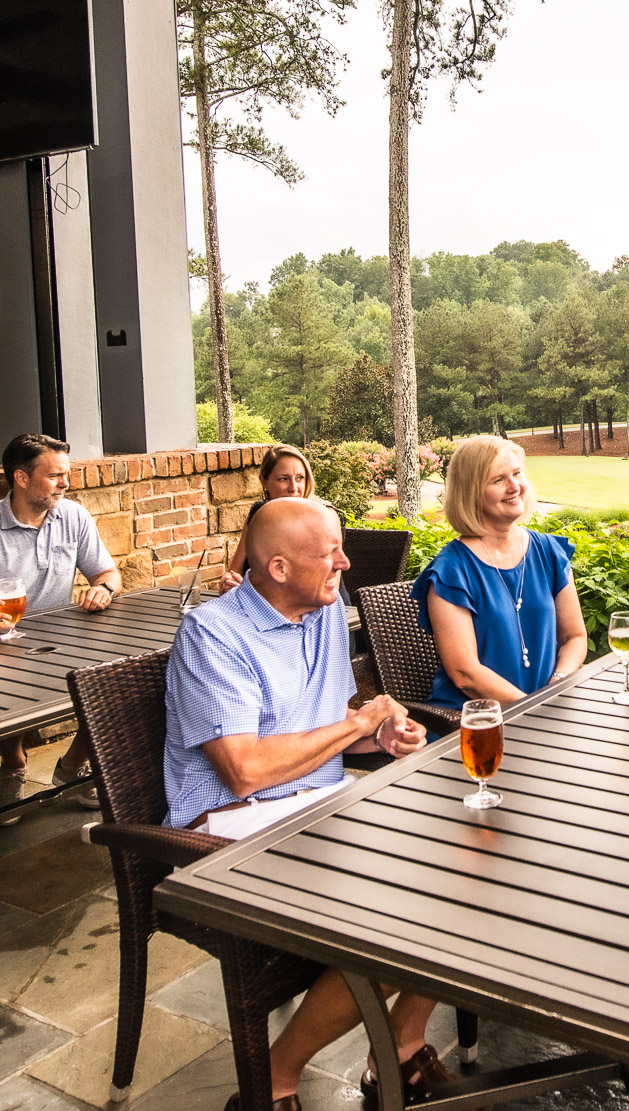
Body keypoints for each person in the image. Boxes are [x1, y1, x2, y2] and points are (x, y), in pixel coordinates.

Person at [163, 498, 439, 1111]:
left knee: (466, 868)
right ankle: (273, 1080)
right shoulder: (213, 634)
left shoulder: (324, 610)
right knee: (403, 921)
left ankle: (401, 1043)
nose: (345, 562)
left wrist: (378, 736)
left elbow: (326, 725)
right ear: (279, 568)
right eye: (329, 552)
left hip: (319, 810)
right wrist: (357, 724)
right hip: (228, 833)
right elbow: (245, 772)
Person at [0, 433, 121, 811]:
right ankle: (13, 764)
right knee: (6, 677)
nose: (66, 483)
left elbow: (107, 573)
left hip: (65, 636)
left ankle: (72, 764)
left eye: (66, 474)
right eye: (55, 475)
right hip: (1, 642)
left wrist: (103, 589)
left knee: (118, 676)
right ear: (21, 478)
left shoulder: (73, 516)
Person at [413, 436, 586, 713]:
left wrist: (557, 683)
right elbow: (465, 674)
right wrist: (534, 709)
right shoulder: (451, 571)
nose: (514, 486)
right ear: (470, 493)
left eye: (517, 473)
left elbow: (575, 637)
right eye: (498, 480)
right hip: (476, 721)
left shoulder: (549, 551)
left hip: (545, 711)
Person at [221, 444, 317, 590]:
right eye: (283, 479)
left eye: (299, 478)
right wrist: (228, 581)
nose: (293, 488)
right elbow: (234, 571)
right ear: (264, 481)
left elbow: (317, 591)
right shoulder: (258, 514)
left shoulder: (320, 520)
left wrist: (251, 592)